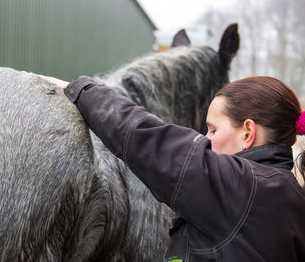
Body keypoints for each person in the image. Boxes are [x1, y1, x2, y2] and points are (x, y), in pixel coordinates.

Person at [42, 75, 305, 261]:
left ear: (248, 132)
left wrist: (82, 90)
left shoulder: (245, 188)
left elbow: (151, 140)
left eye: (213, 129)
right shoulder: (286, 194)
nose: (206, 138)